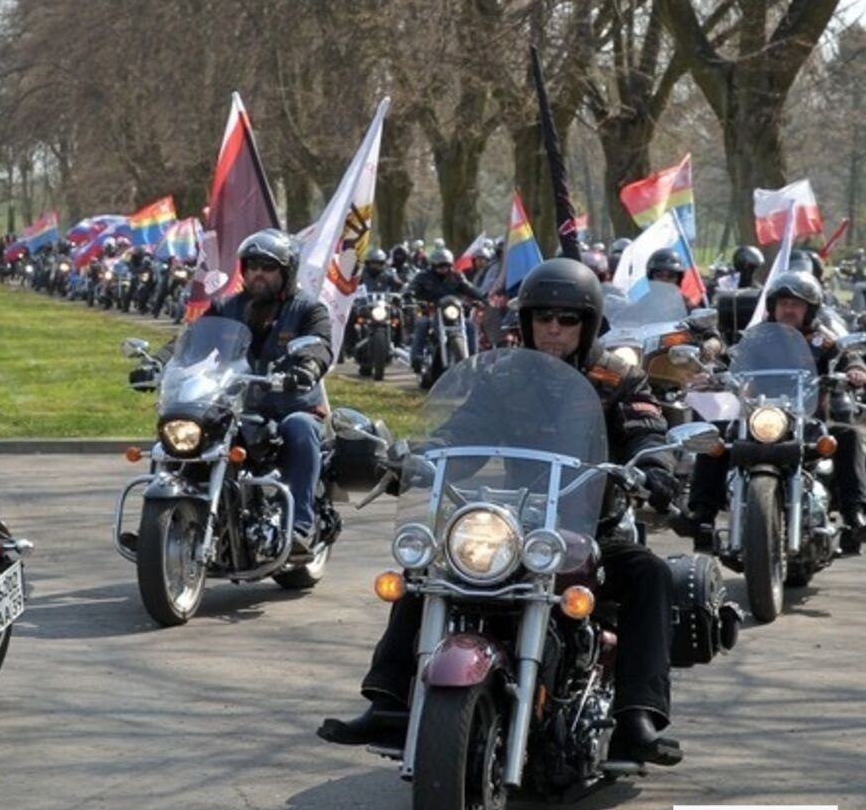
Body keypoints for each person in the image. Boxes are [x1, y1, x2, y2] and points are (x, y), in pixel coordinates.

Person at [320, 258, 682, 765]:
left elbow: (648, 430)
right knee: (429, 565)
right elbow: (466, 431)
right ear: (528, 321)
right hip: (512, 520)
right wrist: (426, 456)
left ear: (589, 324)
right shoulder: (505, 375)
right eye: (544, 318)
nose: (553, 330)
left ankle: (635, 717)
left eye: (567, 320)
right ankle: (388, 702)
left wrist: (655, 466)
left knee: (650, 574)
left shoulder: (617, 376)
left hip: (589, 526)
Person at [167, 229, 333, 556]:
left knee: (299, 430)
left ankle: (300, 527)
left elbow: (320, 346)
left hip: (290, 406)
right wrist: (161, 361)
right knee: (182, 432)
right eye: (253, 265)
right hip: (237, 408)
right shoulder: (228, 306)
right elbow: (191, 341)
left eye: (268, 266)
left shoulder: (308, 310)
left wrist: (307, 368)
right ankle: (169, 519)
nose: (258, 272)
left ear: (286, 273)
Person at [677, 269, 866, 548]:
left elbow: (847, 357)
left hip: (808, 421)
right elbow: (731, 361)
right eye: (784, 303)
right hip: (758, 418)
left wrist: (855, 370)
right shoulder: (755, 338)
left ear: (809, 310)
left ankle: (855, 515)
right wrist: (711, 375)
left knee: (849, 435)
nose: (789, 309)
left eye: (796, 304)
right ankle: (702, 513)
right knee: (713, 435)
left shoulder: (821, 340)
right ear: (773, 306)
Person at [407, 246, 485, 375]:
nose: (443, 269)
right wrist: (409, 294)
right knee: (422, 323)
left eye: (446, 266)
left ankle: (473, 359)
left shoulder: (456, 276)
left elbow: (468, 288)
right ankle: (417, 358)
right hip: (432, 312)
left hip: (453, 314)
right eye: (439, 266)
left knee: (470, 325)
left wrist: (483, 297)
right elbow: (413, 287)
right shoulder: (423, 277)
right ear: (433, 265)